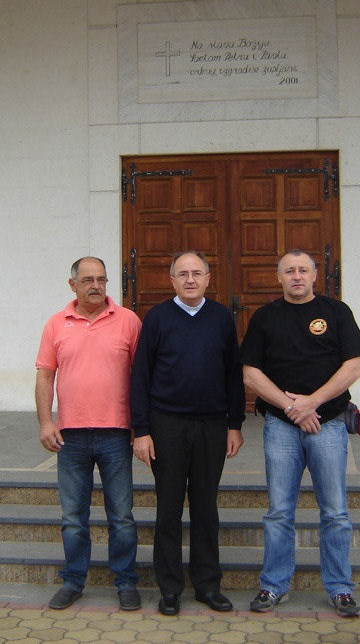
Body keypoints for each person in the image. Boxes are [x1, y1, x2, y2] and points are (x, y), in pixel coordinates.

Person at [239, 249, 360, 618]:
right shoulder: (265, 318)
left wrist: (312, 402)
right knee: (279, 512)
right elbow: (250, 374)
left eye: (302, 270)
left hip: (328, 425)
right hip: (281, 427)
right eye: (289, 271)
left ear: (315, 275)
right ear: (278, 277)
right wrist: (292, 408)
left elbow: (353, 368)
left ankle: (340, 588)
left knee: (335, 512)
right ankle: (273, 585)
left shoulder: (337, 312)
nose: (296, 276)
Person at [130, 251, 245, 616]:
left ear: (208, 279)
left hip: (212, 426)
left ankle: (207, 585)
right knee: (168, 508)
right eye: (183, 274)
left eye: (197, 273)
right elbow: (140, 375)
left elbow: (233, 373)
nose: (190, 280)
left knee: (205, 508)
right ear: (172, 280)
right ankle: (169, 588)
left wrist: (235, 424)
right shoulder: (157, 317)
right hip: (167, 425)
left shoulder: (221, 317)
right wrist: (141, 431)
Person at [35, 256, 142, 611]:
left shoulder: (128, 321)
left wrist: (141, 426)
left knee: (121, 516)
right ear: (73, 285)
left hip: (116, 433)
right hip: (71, 435)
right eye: (88, 280)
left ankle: (126, 582)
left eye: (101, 279)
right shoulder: (56, 324)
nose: (96, 286)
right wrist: (45, 423)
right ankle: (73, 581)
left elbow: (142, 375)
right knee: (73, 517)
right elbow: (44, 376)